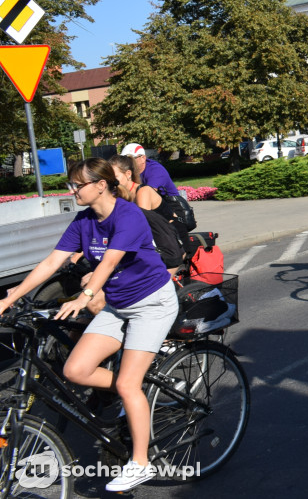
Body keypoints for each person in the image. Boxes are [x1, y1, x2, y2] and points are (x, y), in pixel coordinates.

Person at [0, 158, 179, 492]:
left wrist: (85, 296)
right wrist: (8, 299)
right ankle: (138, 393)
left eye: (77, 185)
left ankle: (140, 461)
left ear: (101, 185)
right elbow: (52, 261)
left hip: (152, 304)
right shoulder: (84, 221)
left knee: (126, 384)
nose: (72, 190)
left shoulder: (128, 216)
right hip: (118, 304)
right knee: (76, 370)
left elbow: (109, 262)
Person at [110, 155, 185, 273]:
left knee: (159, 285)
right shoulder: (121, 196)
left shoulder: (143, 191)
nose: (112, 182)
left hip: (171, 240)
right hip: (156, 238)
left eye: (115, 177)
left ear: (128, 174)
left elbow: (140, 224)